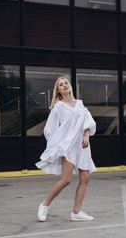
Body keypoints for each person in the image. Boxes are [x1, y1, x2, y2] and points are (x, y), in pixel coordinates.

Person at [36, 76, 96, 222]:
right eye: (60, 85)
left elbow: (87, 122)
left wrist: (86, 137)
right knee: (66, 179)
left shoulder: (80, 104)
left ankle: (76, 212)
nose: (64, 86)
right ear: (58, 91)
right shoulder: (58, 107)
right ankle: (44, 205)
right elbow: (49, 130)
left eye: (66, 83)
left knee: (85, 178)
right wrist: (58, 145)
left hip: (82, 145)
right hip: (68, 146)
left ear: (70, 86)